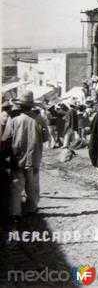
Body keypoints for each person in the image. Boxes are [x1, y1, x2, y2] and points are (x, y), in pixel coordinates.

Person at [1, 90, 48, 221]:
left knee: (16, 185)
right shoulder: (39, 119)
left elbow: (6, 137)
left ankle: (15, 213)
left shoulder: (14, 119)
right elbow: (45, 138)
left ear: (20, 105)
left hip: (17, 157)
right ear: (32, 105)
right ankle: (32, 209)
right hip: (34, 157)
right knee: (32, 185)